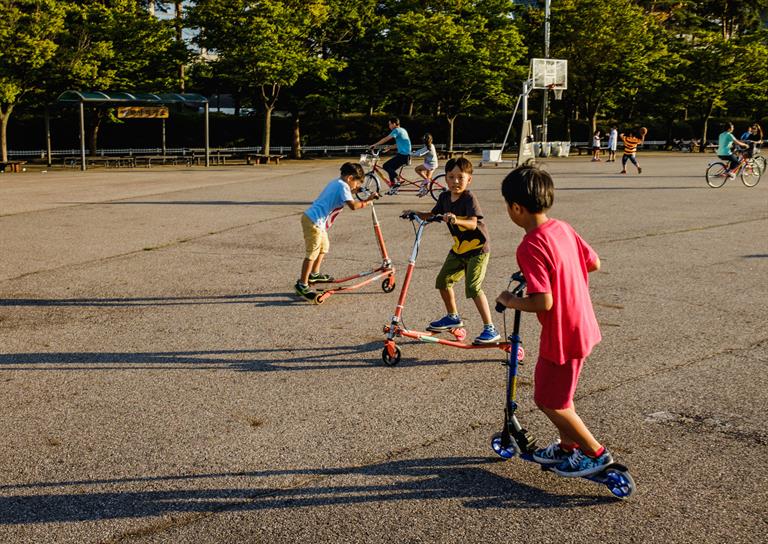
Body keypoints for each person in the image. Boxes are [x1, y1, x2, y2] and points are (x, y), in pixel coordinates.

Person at [496, 164, 610, 477]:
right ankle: (567, 447)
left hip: (562, 333)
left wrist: (509, 299)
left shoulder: (530, 245)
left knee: (549, 401)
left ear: (516, 208)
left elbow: (542, 301)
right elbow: (594, 262)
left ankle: (595, 453)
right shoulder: (562, 228)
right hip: (582, 324)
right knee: (562, 396)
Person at [402, 157, 500, 344]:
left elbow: (472, 223)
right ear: (445, 179)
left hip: (478, 249)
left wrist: (456, 219)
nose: (455, 181)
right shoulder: (444, 197)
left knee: (473, 287)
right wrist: (414, 213)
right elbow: (432, 215)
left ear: (468, 179)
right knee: (443, 281)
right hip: (459, 249)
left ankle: (490, 328)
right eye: (451, 177)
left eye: (460, 177)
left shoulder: (468, 197)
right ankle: (453, 317)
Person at [295, 162, 379, 301]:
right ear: (350, 178)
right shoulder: (344, 186)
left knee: (324, 247)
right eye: (357, 183)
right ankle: (302, 284)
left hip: (315, 221)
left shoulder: (338, 183)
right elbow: (352, 206)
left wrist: (356, 191)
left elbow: (346, 193)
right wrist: (368, 201)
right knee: (312, 252)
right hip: (314, 222)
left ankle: (314, 274)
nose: (357, 186)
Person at [370, 117, 412, 189]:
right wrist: (389, 148)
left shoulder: (396, 130)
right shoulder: (403, 130)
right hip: (406, 156)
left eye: (390, 124)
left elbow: (386, 138)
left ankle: (399, 179)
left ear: (394, 124)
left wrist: (375, 145)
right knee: (390, 169)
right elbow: (398, 144)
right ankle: (393, 187)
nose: (389, 126)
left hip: (403, 156)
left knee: (386, 166)